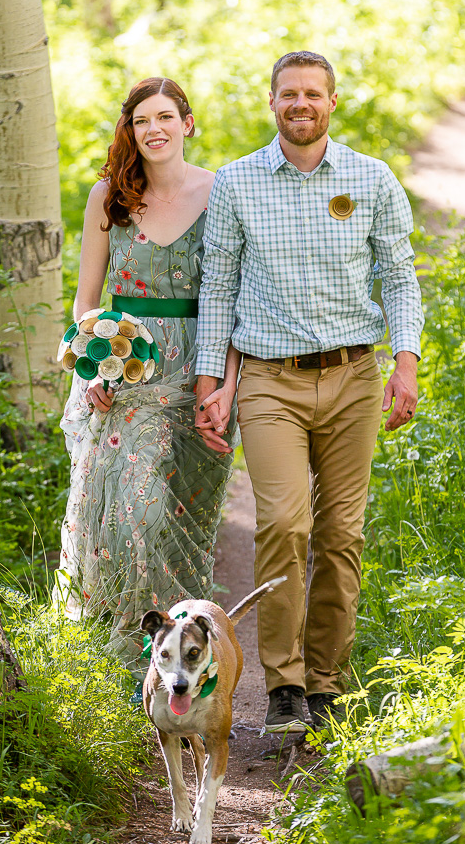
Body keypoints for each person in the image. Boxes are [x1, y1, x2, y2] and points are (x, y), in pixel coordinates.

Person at [195, 50, 423, 734]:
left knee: (341, 534)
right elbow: (218, 288)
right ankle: (283, 686)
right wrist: (212, 384)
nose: (300, 104)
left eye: (312, 94)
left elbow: (400, 277)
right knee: (284, 524)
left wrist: (404, 363)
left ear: (331, 102)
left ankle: (325, 684)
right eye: (287, 94)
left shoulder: (371, 178)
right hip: (269, 381)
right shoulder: (235, 184)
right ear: (271, 103)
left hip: (354, 378)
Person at [56, 77, 238, 693]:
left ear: (188, 123)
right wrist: (91, 369)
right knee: (135, 508)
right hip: (128, 369)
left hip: (201, 367)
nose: (153, 129)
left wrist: (227, 387)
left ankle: (186, 656)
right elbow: (86, 301)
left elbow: (234, 302)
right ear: (130, 131)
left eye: (165, 117)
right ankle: (132, 653)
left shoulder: (223, 193)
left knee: (184, 514)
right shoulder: (109, 197)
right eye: (140, 121)